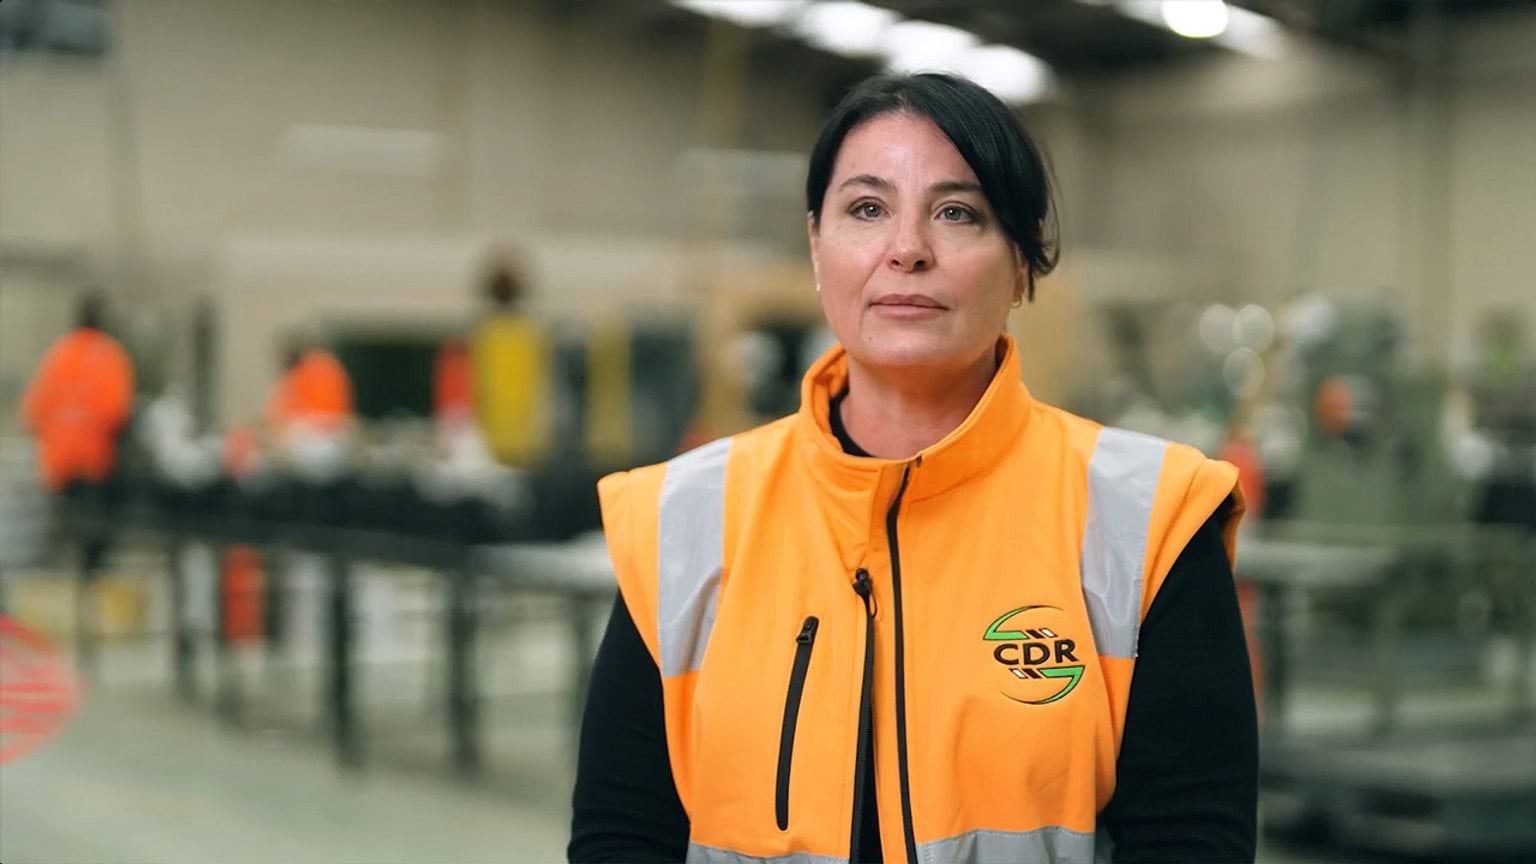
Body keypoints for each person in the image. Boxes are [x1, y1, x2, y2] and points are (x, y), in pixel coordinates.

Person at [569, 74, 1257, 864]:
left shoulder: (1153, 520)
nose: (907, 249)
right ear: (817, 247)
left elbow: (1190, 841)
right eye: (867, 209)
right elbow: (623, 839)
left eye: (957, 213)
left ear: (1025, 260)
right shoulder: (680, 520)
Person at [20, 292, 135, 496]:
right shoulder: (109, 355)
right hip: (93, 463)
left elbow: (34, 410)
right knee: (91, 523)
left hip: (58, 465)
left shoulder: (59, 354)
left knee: (63, 522)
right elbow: (118, 412)